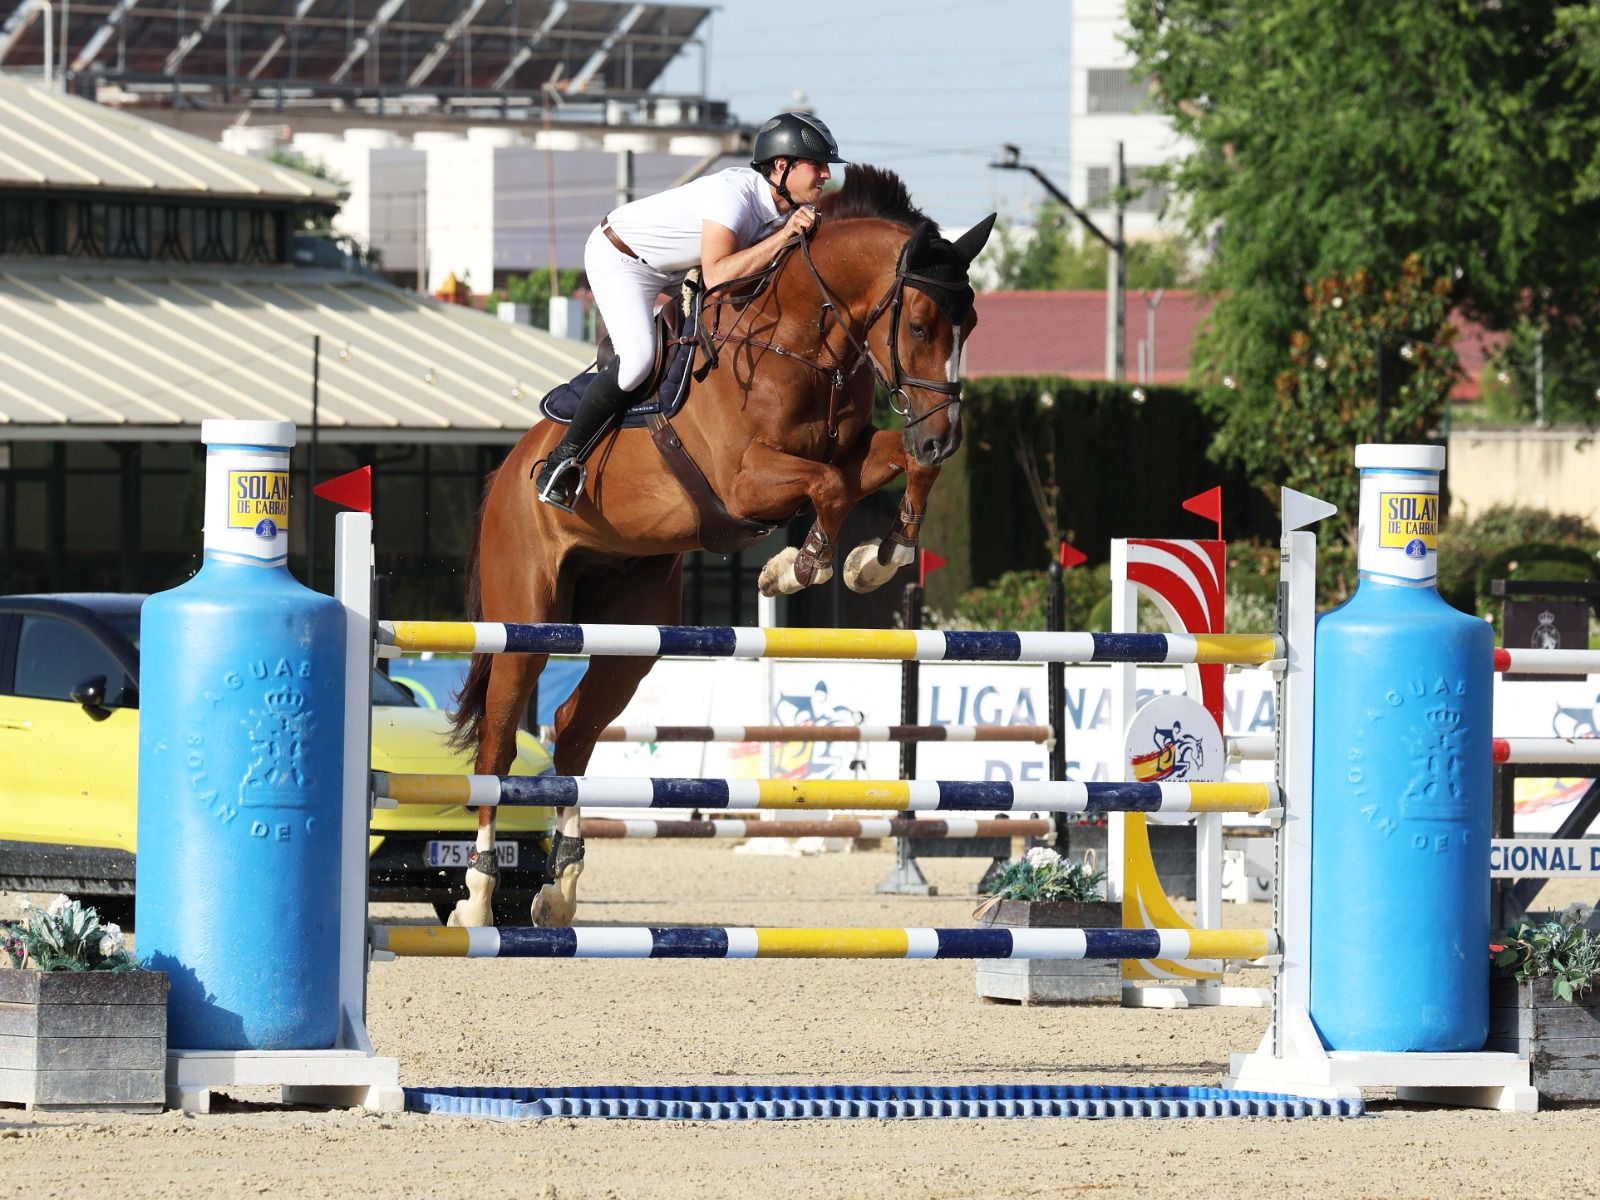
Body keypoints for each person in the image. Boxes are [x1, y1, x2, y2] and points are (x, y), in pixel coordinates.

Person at [535, 111, 848, 510]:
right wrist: (785, 235)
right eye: (817, 165)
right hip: (621, 258)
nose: (826, 174)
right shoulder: (734, 196)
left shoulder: (785, 211)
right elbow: (717, 275)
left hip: (674, 268)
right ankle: (563, 460)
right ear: (782, 166)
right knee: (638, 360)